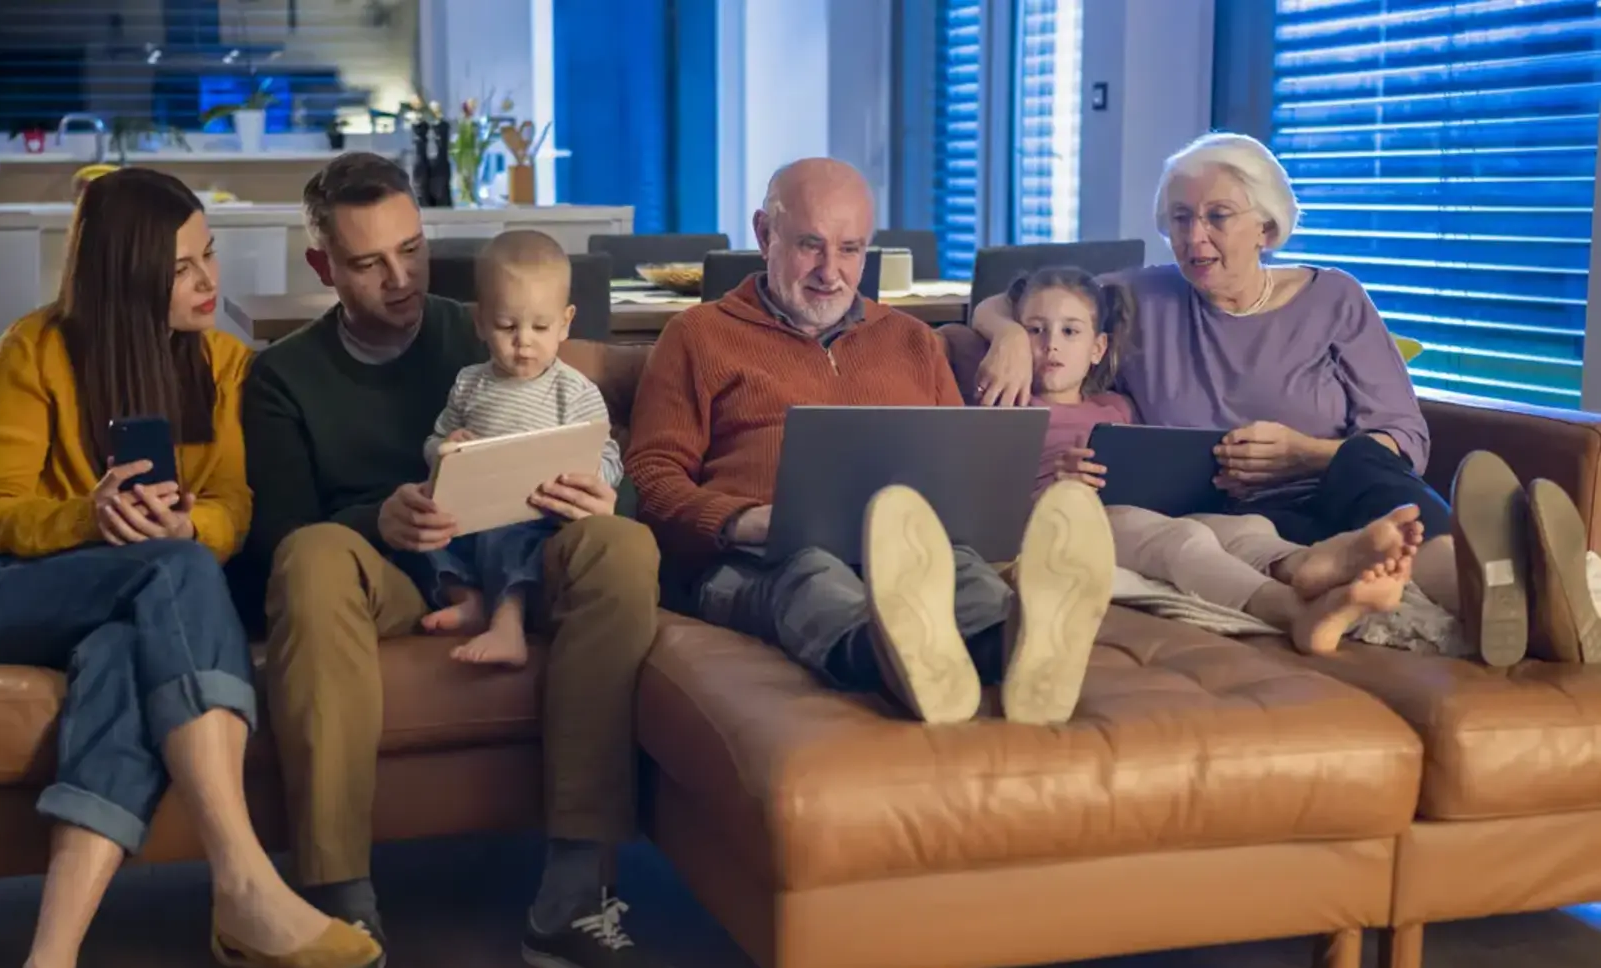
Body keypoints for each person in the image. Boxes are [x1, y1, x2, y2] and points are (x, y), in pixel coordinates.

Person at [0, 168, 379, 968]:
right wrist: (90, 518)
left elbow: (234, 509)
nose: (210, 280)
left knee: (133, 643)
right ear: (128, 277)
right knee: (174, 571)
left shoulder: (226, 365)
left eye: (210, 255)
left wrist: (187, 524)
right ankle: (242, 879)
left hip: (125, 607)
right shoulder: (35, 348)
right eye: (182, 268)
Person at [241, 153, 685, 968]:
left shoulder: (492, 324)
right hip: (388, 578)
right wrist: (381, 518)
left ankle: (572, 899)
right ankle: (340, 912)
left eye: (411, 249)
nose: (401, 278)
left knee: (623, 545)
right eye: (369, 263)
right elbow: (273, 550)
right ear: (323, 266)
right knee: (313, 556)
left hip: (521, 558)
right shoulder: (284, 377)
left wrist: (610, 498)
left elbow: (594, 448)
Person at [971, 131, 1521, 665]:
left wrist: (1305, 453)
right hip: (1242, 519)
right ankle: (1482, 583)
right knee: (1258, 536)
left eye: (1218, 216)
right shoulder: (1143, 297)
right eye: (1181, 218)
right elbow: (1026, 298)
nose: (1195, 236)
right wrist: (1010, 334)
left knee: (1367, 463)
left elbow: (1405, 438)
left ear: (1266, 225)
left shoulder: (1335, 299)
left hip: (1341, 493)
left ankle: (1493, 594)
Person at [626, 157, 1116, 728]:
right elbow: (650, 478)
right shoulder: (697, 336)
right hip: (755, 558)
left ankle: (1018, 649)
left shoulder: (912, 340)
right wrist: (742, 520)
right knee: (811, 571)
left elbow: (962, 469)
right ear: (764, 234)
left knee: (960, 568)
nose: (830, 272)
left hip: (906, 551)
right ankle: (895, 656)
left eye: (851, 249)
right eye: (810, 245)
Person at [1013, 265, 1420, 654]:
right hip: (1071, 523)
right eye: (1034, 330)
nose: (1051, 344)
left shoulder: (1119, 406)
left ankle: (1305, 564)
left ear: (1098, 348)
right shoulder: (1011, 407)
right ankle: (1295, 612)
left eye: (1070, 331)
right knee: (1182, 541)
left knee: (1245, 528)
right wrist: (1054, 491)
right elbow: (994, 500)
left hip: (1147, 512)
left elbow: (1151, 461)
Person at [413, 230, 625, 667]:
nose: (523, 341)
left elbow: (607, 456)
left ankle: (507, 625)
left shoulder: (574, 391)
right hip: (469, 512)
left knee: (510, 540)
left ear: (565, 322)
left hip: (534, 516)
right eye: (507, 326)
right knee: (418, 535)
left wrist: (591, 478)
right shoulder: (469, 384)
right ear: (480, 321)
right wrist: (443, 449)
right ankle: (468, 599)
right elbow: (435, 440)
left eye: (540, 327)